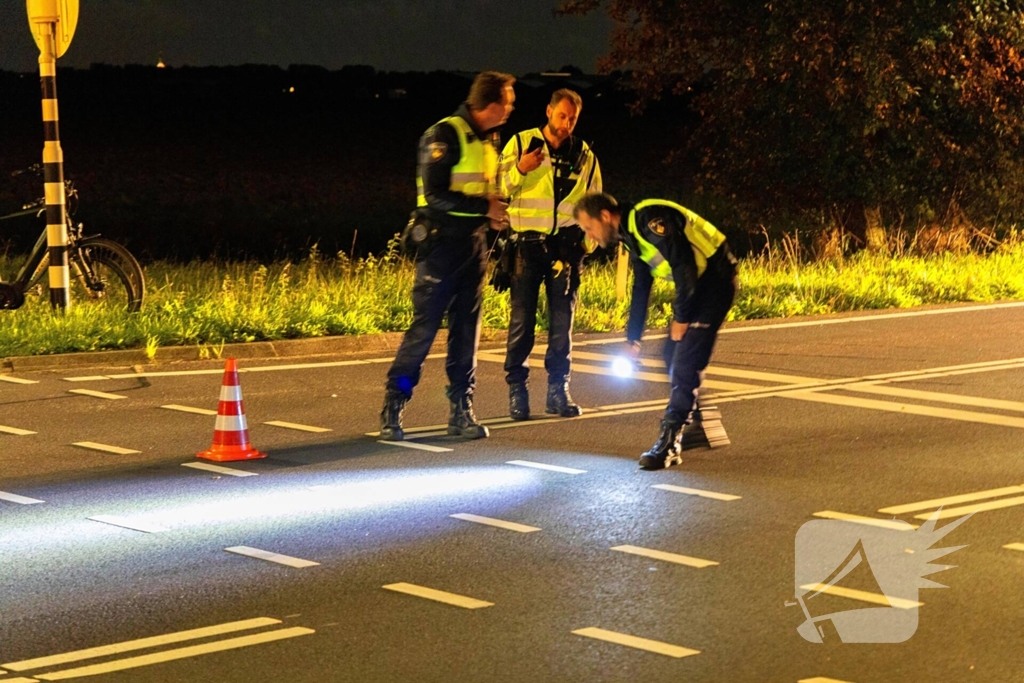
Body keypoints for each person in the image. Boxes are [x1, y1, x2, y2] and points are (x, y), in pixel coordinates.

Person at [380, 71, 515, 441]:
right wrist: (484, 206)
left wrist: (497, 220)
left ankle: (461, 409)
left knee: (467, 333)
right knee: (424, 330)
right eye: (509, 101)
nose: (512, 108)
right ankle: (394, 404)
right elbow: (435, 194)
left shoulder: (489, 139)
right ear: (491, 103)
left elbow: (487, 190)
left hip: (474, 247)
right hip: (440, 247)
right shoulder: (443, 134)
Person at [573, 192, 738, 470]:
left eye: (589, 228)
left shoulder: (648, 219)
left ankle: (670, 443)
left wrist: (681, 318)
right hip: (701, 284)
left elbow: (683, 264)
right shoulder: (631, 236)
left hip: (716, 281)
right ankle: (701, 423)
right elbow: (641, 287)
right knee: (671, 353)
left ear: (604, 216)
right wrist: (633, 341)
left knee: (685, 361)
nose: (590, 237)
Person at [498, 89, 602, 421]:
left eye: (573, 118)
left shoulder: (584, 155)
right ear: (548, 112)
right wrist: (520, 168)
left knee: (562, 326)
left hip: (566, 251)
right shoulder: (520, 143)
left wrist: (588, 245)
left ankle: (558, 391)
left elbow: (596, 205)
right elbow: (497, 189)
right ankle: (518, 389)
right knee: (522, 324)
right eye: (562, 116)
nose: (567, 123)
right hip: (526, 247)